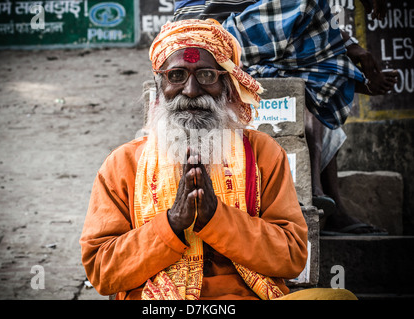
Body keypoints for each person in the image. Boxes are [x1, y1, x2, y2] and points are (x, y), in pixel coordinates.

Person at [80, 19, 357, 300]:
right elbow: (102, 272)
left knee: (339, 298)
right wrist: (173, 223)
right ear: (159, 85)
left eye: (206, 76)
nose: (191, 90)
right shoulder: (122, 164)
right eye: (176, 75)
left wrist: (216, 217)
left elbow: (292, 256)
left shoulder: (263, 153)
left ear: (227, 84)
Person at [172, 0, 397, 235]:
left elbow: (302, 19)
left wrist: (352, 48)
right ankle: (349, 76)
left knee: (310, 83)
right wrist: (354, 49)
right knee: (310, 17)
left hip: (249, 35)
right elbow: (302, 10)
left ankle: (329, 204)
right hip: (209, 32)